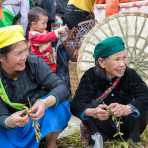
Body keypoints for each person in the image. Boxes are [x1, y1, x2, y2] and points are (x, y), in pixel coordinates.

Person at [0, 25, 71, 148]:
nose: (24, 57)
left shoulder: (33, 63)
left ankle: (50, 143)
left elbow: (62, 88)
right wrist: (8, 121)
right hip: (14, 124)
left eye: (25, 50)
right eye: (18, 53)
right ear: (1, 57)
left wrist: (44, 103)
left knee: (61, 105)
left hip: (38, 115)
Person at [70, 36, 148, 146]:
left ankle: (133, 140)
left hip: (128, 126)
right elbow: (75, 104)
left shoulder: (130, 74)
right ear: (102, 62)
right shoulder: (90, 76)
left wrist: (128, 108)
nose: (123, 64)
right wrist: (94, 112)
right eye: (117, 59)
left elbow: (145, 95)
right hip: (102, 125)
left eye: (124, 58)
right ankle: (96, 137)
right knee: (87, 108)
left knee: (141, 104)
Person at [28, 7, 67, 73]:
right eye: (43, 23)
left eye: (46, 23)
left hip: (49, 63)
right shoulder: (33, 36)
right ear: (33, 24)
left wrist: (60, 33)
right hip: (41, 67)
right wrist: (57, 31)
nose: (46, 26)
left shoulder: (42, 31)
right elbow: (45, 38)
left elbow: (51, 37)